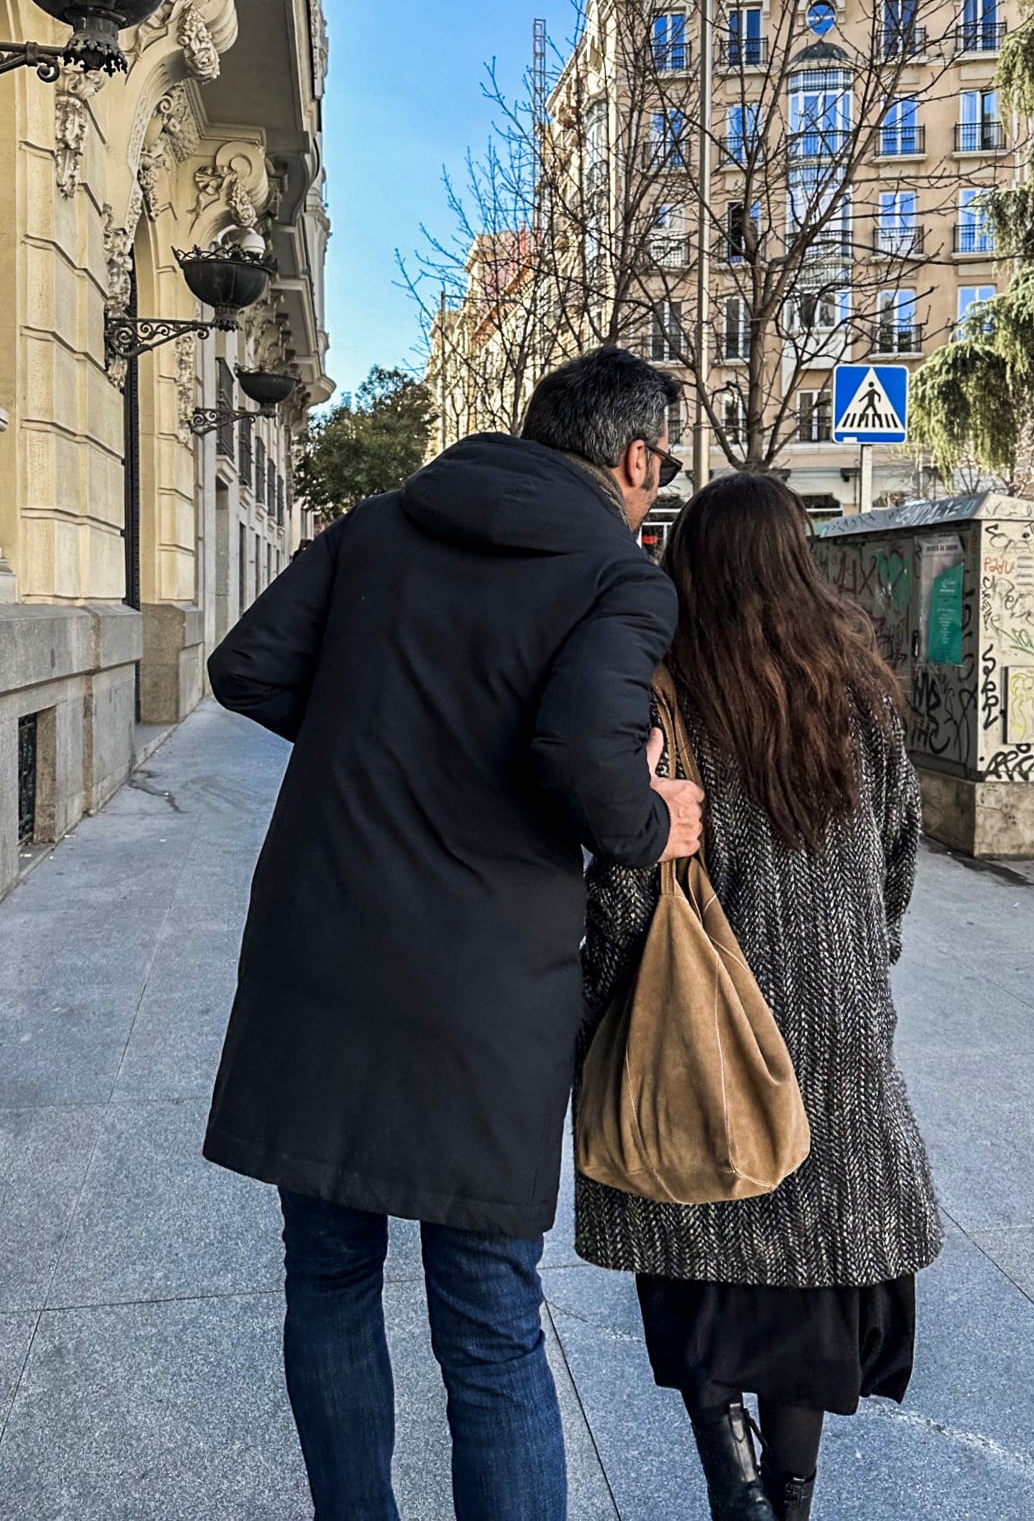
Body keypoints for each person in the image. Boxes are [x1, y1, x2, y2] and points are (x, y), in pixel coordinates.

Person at [203, 346, 704, 1521]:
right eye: (663, 466)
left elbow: (245, 669)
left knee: (326, 1277)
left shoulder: (376, 527)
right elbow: (585, 755)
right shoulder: (618, 578)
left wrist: (366, 743)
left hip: (317, 954)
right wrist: (651, 821)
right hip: (481, 992)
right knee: (487, 1323)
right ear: (634, 459)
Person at [575, 474, 942, 1521]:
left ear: (686, 561)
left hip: (698, 1031)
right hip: (834, 1031)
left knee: (694, 1261)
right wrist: (864, 969)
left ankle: (724, 1466)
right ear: (798, 561)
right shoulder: (859, 689)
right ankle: (786, 1497)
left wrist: (595, 1009)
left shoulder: (660, 693)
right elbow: (897, 858)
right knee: (810, 1290)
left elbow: (627, 885)